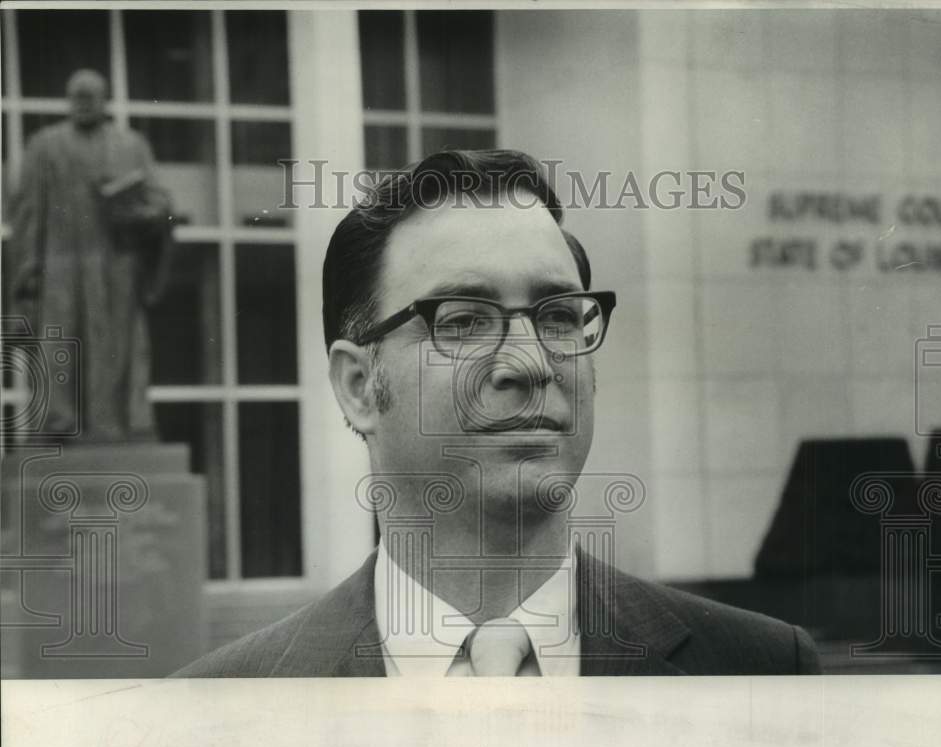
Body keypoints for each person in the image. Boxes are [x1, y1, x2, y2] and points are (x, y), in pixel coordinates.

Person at [175, 149, 822, 677]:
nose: (530, 363)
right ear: (358, 385)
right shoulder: (220, 709)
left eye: (560, 316)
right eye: (462, 322)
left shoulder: (760, 670)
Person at [10, 69, 173, 441]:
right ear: (68, 100)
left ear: (105, 100)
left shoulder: (130, 145)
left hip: (116, 261)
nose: (84, 102)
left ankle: (111, 423)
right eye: (77, 95)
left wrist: (143, 211)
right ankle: (58, 421)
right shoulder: (44, 146)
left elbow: (159, 200)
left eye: (91, 96)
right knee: (58, 341)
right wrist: (28, 268)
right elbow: (27, 211)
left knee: (115, 345)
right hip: (60, 262)